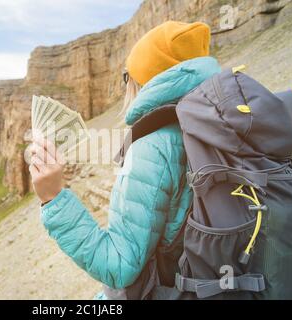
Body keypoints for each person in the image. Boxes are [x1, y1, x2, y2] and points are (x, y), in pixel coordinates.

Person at [29, 21, 222, 299]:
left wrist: (53, 198)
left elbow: (120, 267)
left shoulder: (154, 146)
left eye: (126, 76)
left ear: (143, 80)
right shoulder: (216, 122)